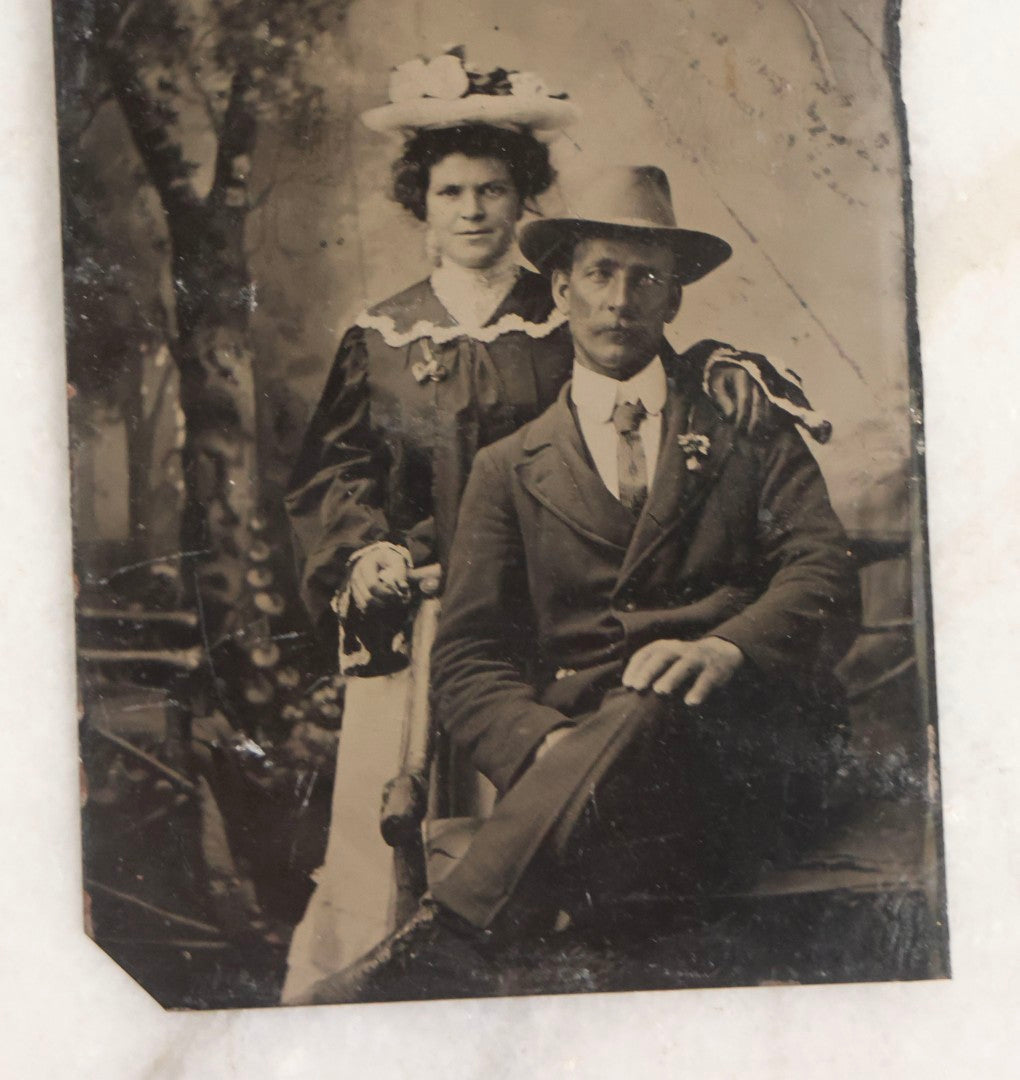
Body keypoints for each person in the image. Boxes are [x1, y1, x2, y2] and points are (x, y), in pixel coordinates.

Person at [297, 165, 860, 1005]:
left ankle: (450, 933)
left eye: (647, 279)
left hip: (746, 757)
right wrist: (544, 752)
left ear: (675, 301)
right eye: (598, 273)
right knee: (628, 716)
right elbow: (470, 658)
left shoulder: (744, 424)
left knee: (654, 698)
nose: (619, 301)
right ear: (559, 289)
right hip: (596, 791)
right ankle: (490, 907)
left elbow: (824, 570)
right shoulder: (507, 467)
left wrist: (727, 647)